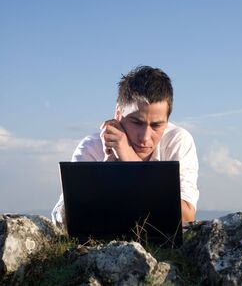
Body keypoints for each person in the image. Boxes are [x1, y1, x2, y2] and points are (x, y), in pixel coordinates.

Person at [51, 66, 199, 228]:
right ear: (118, 113)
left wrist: (128, 157)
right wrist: (108, 168)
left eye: (156, 125)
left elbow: (186, 215)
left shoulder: (178, 141)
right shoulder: (92, 146)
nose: (145, 137)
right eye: (136, 122)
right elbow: (64, 219)